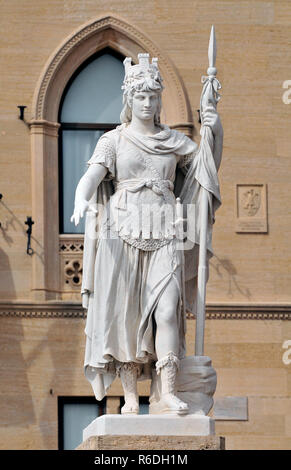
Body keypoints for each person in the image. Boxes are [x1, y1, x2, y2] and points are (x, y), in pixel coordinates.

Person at [71, 53, 223, 415]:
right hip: (121, 234)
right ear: (129, 99)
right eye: (140, 96)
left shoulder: (173, 141)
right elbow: (91, 177)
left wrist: (213, 128)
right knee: (124, 314)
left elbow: (205, 167)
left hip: (166, 232)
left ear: (159, 100)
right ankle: (129, 397)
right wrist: (81, 198)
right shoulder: (114, 140)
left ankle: (168, 391)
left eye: (153, 96)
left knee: (168, 310)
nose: (147, 102)